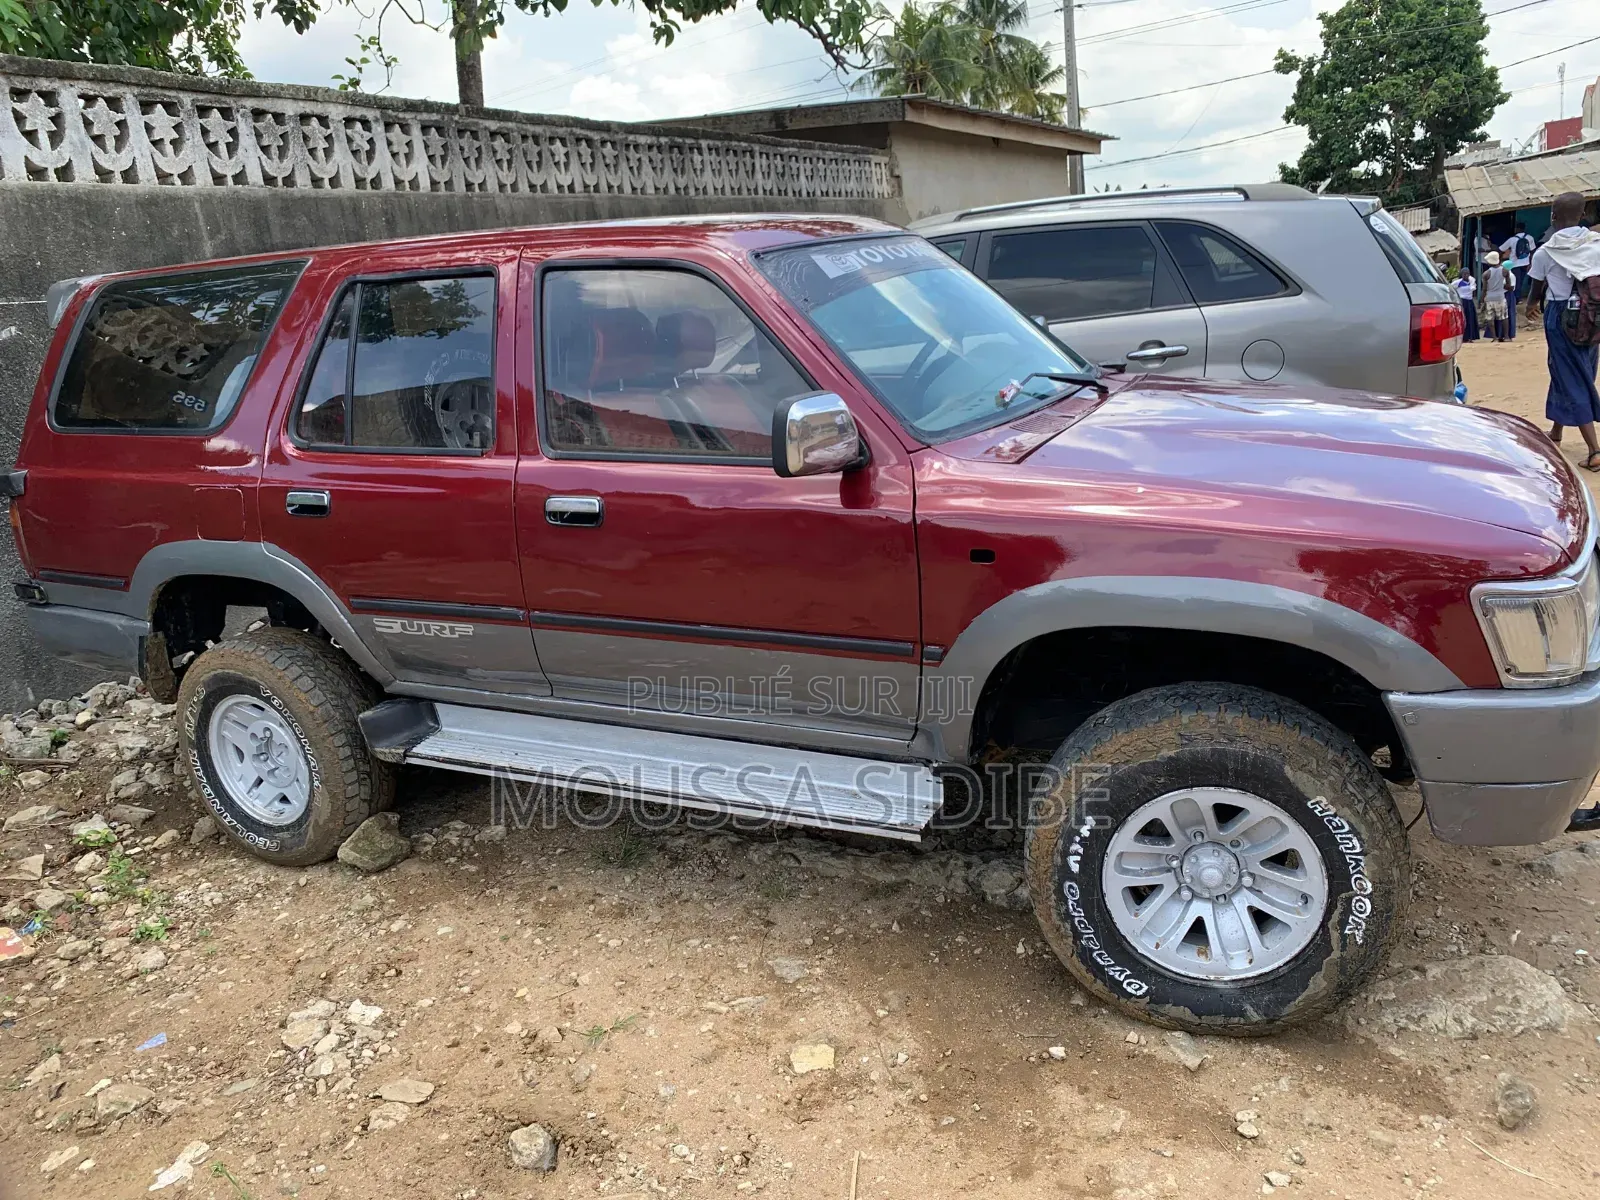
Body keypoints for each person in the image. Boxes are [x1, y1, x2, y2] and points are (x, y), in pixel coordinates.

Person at [1526, 192, 1600, 470]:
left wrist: (1532, 305)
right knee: (1576, 370)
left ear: (1552, 217)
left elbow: (1534, 289)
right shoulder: (1596, 244)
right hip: (1593, 315)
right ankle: (1556, 431)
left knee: (1570, 375)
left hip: (1561, 317)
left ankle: (1595, 450)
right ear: (1582, 215)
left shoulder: (1546, 252)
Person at [1500, 223, 1536, 338]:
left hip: (1514, 264)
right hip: (1525, 263)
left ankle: (1516, 299)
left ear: (1516, 229)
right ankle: (1519, 298)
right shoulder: (1529, 238)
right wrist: (1530, 262)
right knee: (1521, 281)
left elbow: (1501, 248)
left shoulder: (1512, 239)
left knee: (1514, 281)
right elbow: (1532, 251)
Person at [1480, 251, 1511, 342]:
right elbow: (1508, 285)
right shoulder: (1505, 271)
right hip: (1500, 297)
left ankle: (1494, 338)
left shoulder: (1486, 273)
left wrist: (1481, 300)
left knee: (1490, 319)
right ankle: (1506, 337)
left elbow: (1484, 289)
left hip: (1489, 298)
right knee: (1504, 317)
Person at [1455, 265, 1480, 342]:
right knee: (1463, 320)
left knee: (1470, 319)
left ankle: (1470, 337)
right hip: (1462, 302)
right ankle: (1463, 337)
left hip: (1469, 302)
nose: (1466, 275)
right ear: (1461, 274)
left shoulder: (1471, 281)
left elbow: (1473, 288)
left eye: (1468, 273)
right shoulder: (1458, 282)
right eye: (1464, 274)